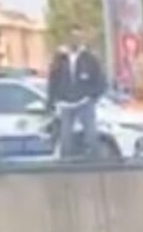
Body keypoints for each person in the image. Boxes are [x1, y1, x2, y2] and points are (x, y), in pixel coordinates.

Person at [46, 27, 107, 159]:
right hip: (66, 104)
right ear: (68, 39)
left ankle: (94, 162)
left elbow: (100, 80)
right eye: (73, 37)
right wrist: (51, 101)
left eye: (78, 37)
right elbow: (53, 80)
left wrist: (92, 96)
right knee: (66, 139)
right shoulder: (61, 59)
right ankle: (68, 165)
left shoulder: (89, 58)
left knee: (91, 136)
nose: (75, 40)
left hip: (84, 102)